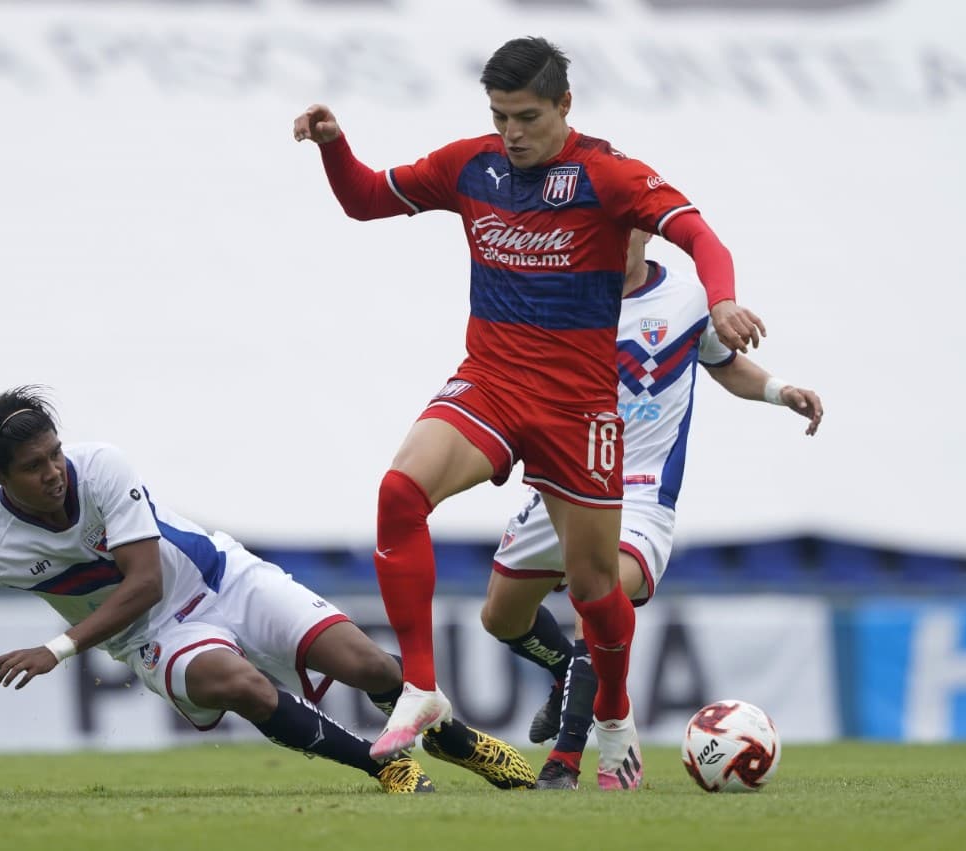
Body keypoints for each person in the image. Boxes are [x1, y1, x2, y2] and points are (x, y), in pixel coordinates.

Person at [293, 36, 765, 788]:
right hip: (493, 381)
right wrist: (333, 145)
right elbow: (366, 199)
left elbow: (698, 235)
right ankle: (421, 686)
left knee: (594, 590)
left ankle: (614, 716)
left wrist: (724, 299)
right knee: (400, 492)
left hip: (579, 407)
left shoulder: (608, 175)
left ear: (564, 105)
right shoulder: (471, 166)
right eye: (499, 115)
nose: (511, 132)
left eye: (527, 117)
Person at [0, 387, 537, 804]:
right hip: (152, 635)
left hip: (221, 576)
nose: (54, 472)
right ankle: (385, 766)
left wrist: (57, 647)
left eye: (54, 453)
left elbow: (146, 578)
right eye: (33, 466)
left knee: (370, 666)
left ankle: (460, 743)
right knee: (238, 683)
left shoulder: (101, 465)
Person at [481, 231, 823, 789]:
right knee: (501, 617)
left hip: (639, 495)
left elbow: (724, 363)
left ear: (643, 229)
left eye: (621, 222)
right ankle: (569, 674)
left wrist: (779, 390)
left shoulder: (686, 299)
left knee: (598, 592)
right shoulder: (558, 296)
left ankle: (573, 756)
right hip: (564, 483)